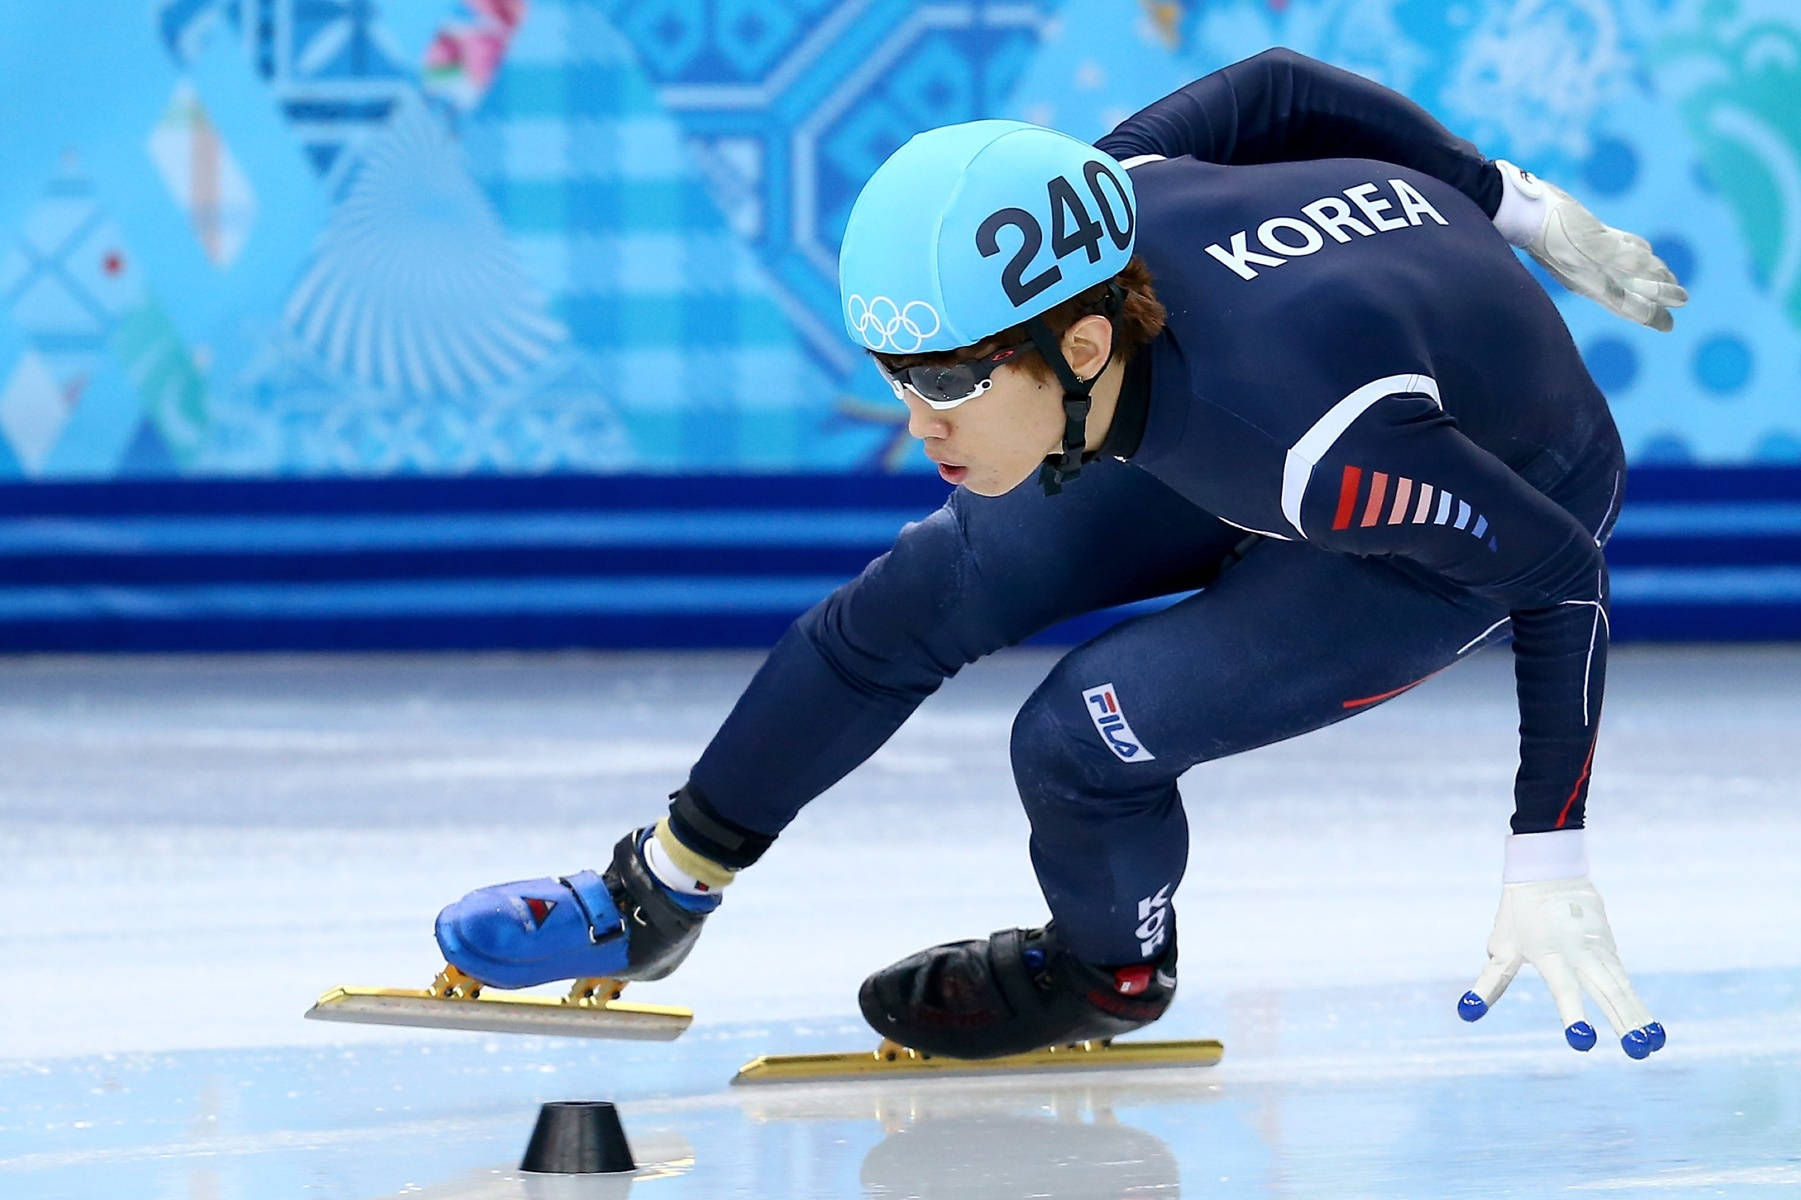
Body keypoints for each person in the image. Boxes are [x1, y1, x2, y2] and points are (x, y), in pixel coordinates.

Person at [434, 49, 1681, 1060]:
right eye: (896, 379)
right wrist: (1513, 198)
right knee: (919, 592)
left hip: (1460, 497)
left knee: (1081, 736)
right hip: (1266, 388)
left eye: (949, 382)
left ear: (1079, 348)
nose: (917, 424)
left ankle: (1110, 976)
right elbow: (1278, 85)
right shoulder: (1097, 199)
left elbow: (1558, 568)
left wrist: (1547, 847)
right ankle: (660, 894)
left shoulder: (1307, 444)